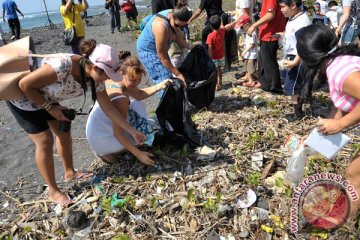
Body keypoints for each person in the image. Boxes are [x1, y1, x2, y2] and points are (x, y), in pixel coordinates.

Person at [6, 39, 146, 205]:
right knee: (45, 140)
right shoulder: (61, 66)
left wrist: (131, 130)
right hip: (23, 99)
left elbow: (109, 109)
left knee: (64, 132)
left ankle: (69, 172)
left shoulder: (95, 79)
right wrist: (50, 108)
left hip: (48, 97)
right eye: (107, 74)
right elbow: (24, 85)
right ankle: (53, 190)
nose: (108, 79)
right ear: (95, 67)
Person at [296, 24, 360, 213]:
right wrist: (314, 139)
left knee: (354, 177)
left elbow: (339, 118)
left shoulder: (338, 72)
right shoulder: (340, 61)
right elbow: (339, 108)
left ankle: (345, 226)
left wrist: (340, 125)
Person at [86, 53, 172, 164]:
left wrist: (160, 85)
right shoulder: (120, 97)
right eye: (132, 80)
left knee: (136, 102)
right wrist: (139, 154)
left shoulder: (114, 78)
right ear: (122, 73)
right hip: (102, 137)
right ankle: (108, 152)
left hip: (96, 130)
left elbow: (139, 94)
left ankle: (107, 150)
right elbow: (118, 133)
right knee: (144, 139)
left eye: (138, 80)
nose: (136, 83)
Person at [136, 2, 192, 95]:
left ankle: (172, 103)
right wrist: (178, 74)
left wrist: (190, 46)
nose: (180, 28)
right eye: (178, 25)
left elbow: (178, 36)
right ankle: (166, 106)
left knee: (168, 75)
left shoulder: (176, 16)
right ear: (172, 16)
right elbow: (162, 57)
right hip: (148, 50)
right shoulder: (161, 26)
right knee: (163, 80)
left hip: (162, 49)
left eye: (183, 26)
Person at [246, 0, 286, 94]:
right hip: (269, 34)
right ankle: (266, 85)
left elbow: (270, 14)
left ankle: (275, 88)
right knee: (263, 62)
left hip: (270, 34)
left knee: (269, 63)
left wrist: (254, 26)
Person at [279, 0, 311, 117]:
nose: (281, 10)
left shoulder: (301, 22)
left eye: (283, 7)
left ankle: (298, 114)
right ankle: (299, 108)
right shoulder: (293, 18)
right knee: (294, 84)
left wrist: (295, 62)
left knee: (293, 86)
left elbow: (304, 45)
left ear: (293, 5)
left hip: (297, 58)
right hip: (291, 55)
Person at [206, 15, 241, 91]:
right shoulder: (222, 31)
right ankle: (220, 83)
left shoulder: (210, 36)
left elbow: (210, 48)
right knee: (219, 69)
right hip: (221, 55)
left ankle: (216, 85)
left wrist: (209, 57)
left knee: (214, 71)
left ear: (211, 26)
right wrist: (236, 21)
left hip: (214, 57)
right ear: (219, 24)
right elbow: (227, 26)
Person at [237, 14, 258, 88]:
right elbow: (248, 42)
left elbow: (252, 44)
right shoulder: (248, 31)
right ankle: (249, 78)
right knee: (247, 68)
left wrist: (244, 51)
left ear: (247, 24)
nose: (242, 28)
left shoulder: (251, 32)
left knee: (251, 69)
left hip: (251, 54)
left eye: (242, 26)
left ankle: (251, 81)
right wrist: (243, 44)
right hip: (248, 54)